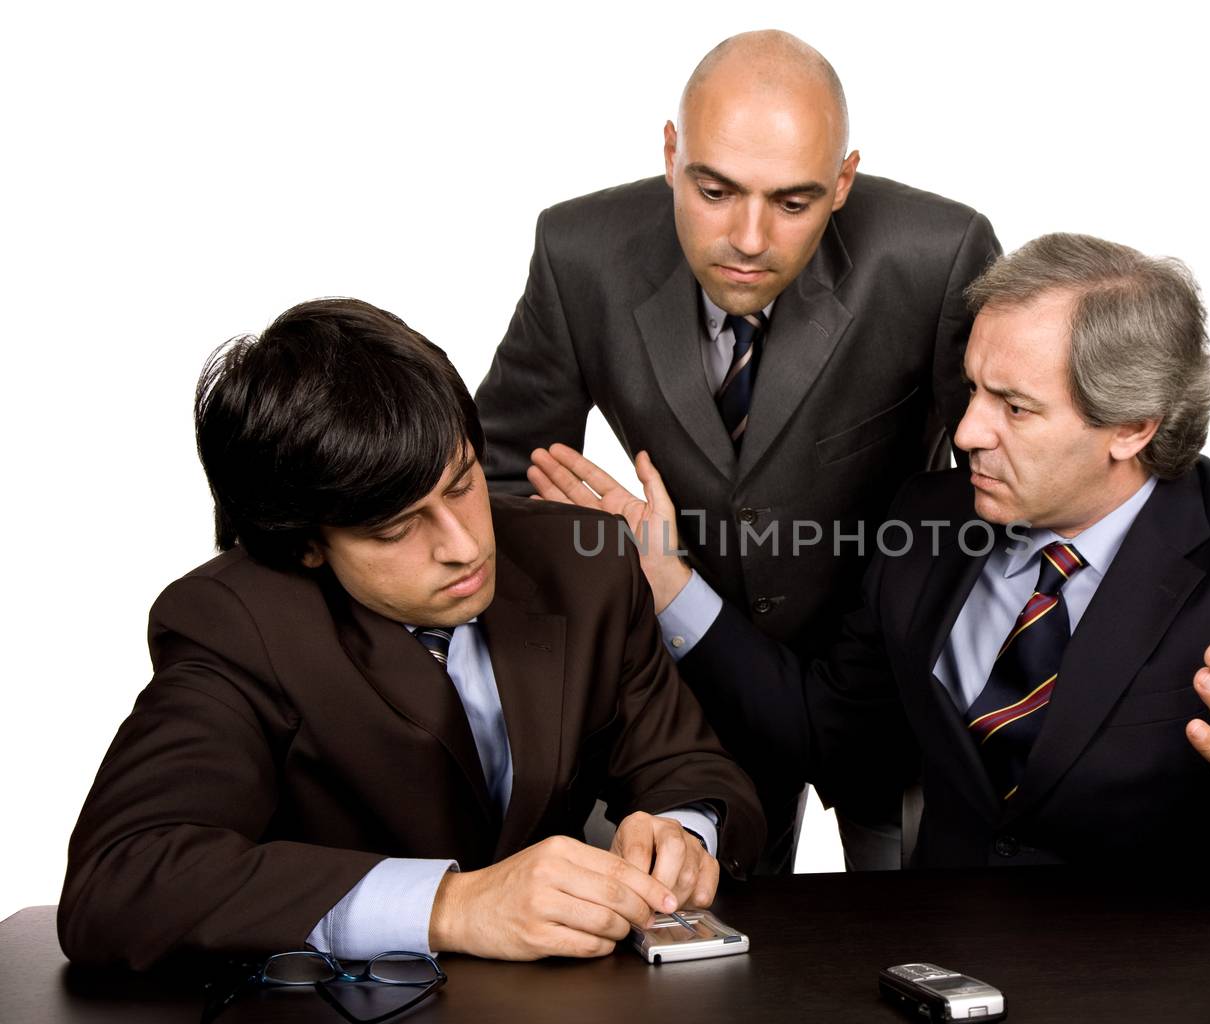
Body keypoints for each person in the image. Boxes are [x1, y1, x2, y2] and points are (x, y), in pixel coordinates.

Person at [530, 234, 1210, 886]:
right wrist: (667, 584)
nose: (967, 430)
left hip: (1161, 1012)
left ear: (1132, 426)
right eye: (972, 388)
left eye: (1014, 407)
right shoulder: (930, 521)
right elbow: (822, 734)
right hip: (942, 986)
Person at [58, 299, 763, 972]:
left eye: (461, 484)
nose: (463, 546)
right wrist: (453, 906)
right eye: (397, 528)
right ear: (306, 543)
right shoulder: (234, 622)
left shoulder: (586, 561)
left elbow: (694, 768)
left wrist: (681, 833)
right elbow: (120, 879)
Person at [475, 30, 1000, 874]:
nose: (749, 238)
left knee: (923, 943)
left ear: (844, 182)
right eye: (714, 190)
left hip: (884, 684)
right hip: (684, 683)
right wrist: (609, 572)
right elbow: (495, 477)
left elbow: (999, 482)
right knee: (682, 965)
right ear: (671, 153)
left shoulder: (936, 256)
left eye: (793, 203)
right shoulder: (581, 255)